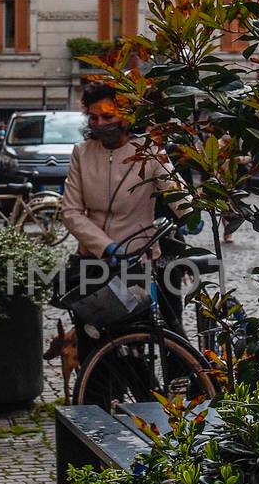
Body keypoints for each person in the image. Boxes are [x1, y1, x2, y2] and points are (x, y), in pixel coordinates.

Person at [61, 80, 189, 331]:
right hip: (93, 260)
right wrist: (106, 246)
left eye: (107, 116)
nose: (99, 124)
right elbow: (70, 210)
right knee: (92, 336)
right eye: (93, 117)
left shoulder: (149, 152)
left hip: (137, 259)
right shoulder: (82, 153)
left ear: (127, 117)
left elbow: (179, 198)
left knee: (141, 333)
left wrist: (195, 209)